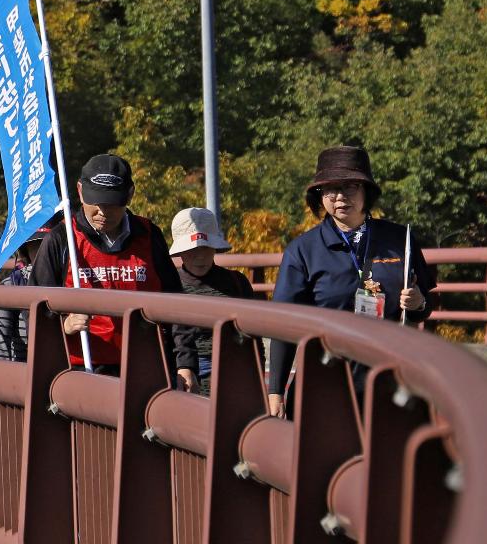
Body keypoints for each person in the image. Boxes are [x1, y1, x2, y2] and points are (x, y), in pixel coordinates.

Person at [265, 146, 435, 413]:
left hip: (388, 379)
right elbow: (283, 325)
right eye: (330, 189)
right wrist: (276, 389)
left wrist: (418, 303)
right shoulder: (303, 250)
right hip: (324, 382)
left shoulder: (400, 239)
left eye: (351, 186)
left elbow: (424, 307)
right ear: (319, 196)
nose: (340, 196)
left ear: (367, 191)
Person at [26, 154, 199, 384]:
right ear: (79, 191)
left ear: (130, 194)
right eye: (95, 202)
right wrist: (64, 325)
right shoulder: (61, 238)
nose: (103, 212)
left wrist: (186, 364)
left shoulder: (149, 235)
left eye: (111, 203)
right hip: (83, 370)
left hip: (147, 367)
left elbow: (175, 304)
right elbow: (34, 312)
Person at [167, 206, 258, 388]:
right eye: (192, 249)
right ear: (181, 251)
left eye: (206, 248)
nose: (200, 256)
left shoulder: (236, 283)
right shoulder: (168, 284)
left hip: (233, 375)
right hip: (182, 375)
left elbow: (253, 340)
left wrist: (259, 383)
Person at [0, 220, 56, 362]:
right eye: (37, 246)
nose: (45, 252)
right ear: (26, 250)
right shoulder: (12, 285)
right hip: (24, 367)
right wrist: (4, 377)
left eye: (51, 246)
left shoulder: (72, 281)